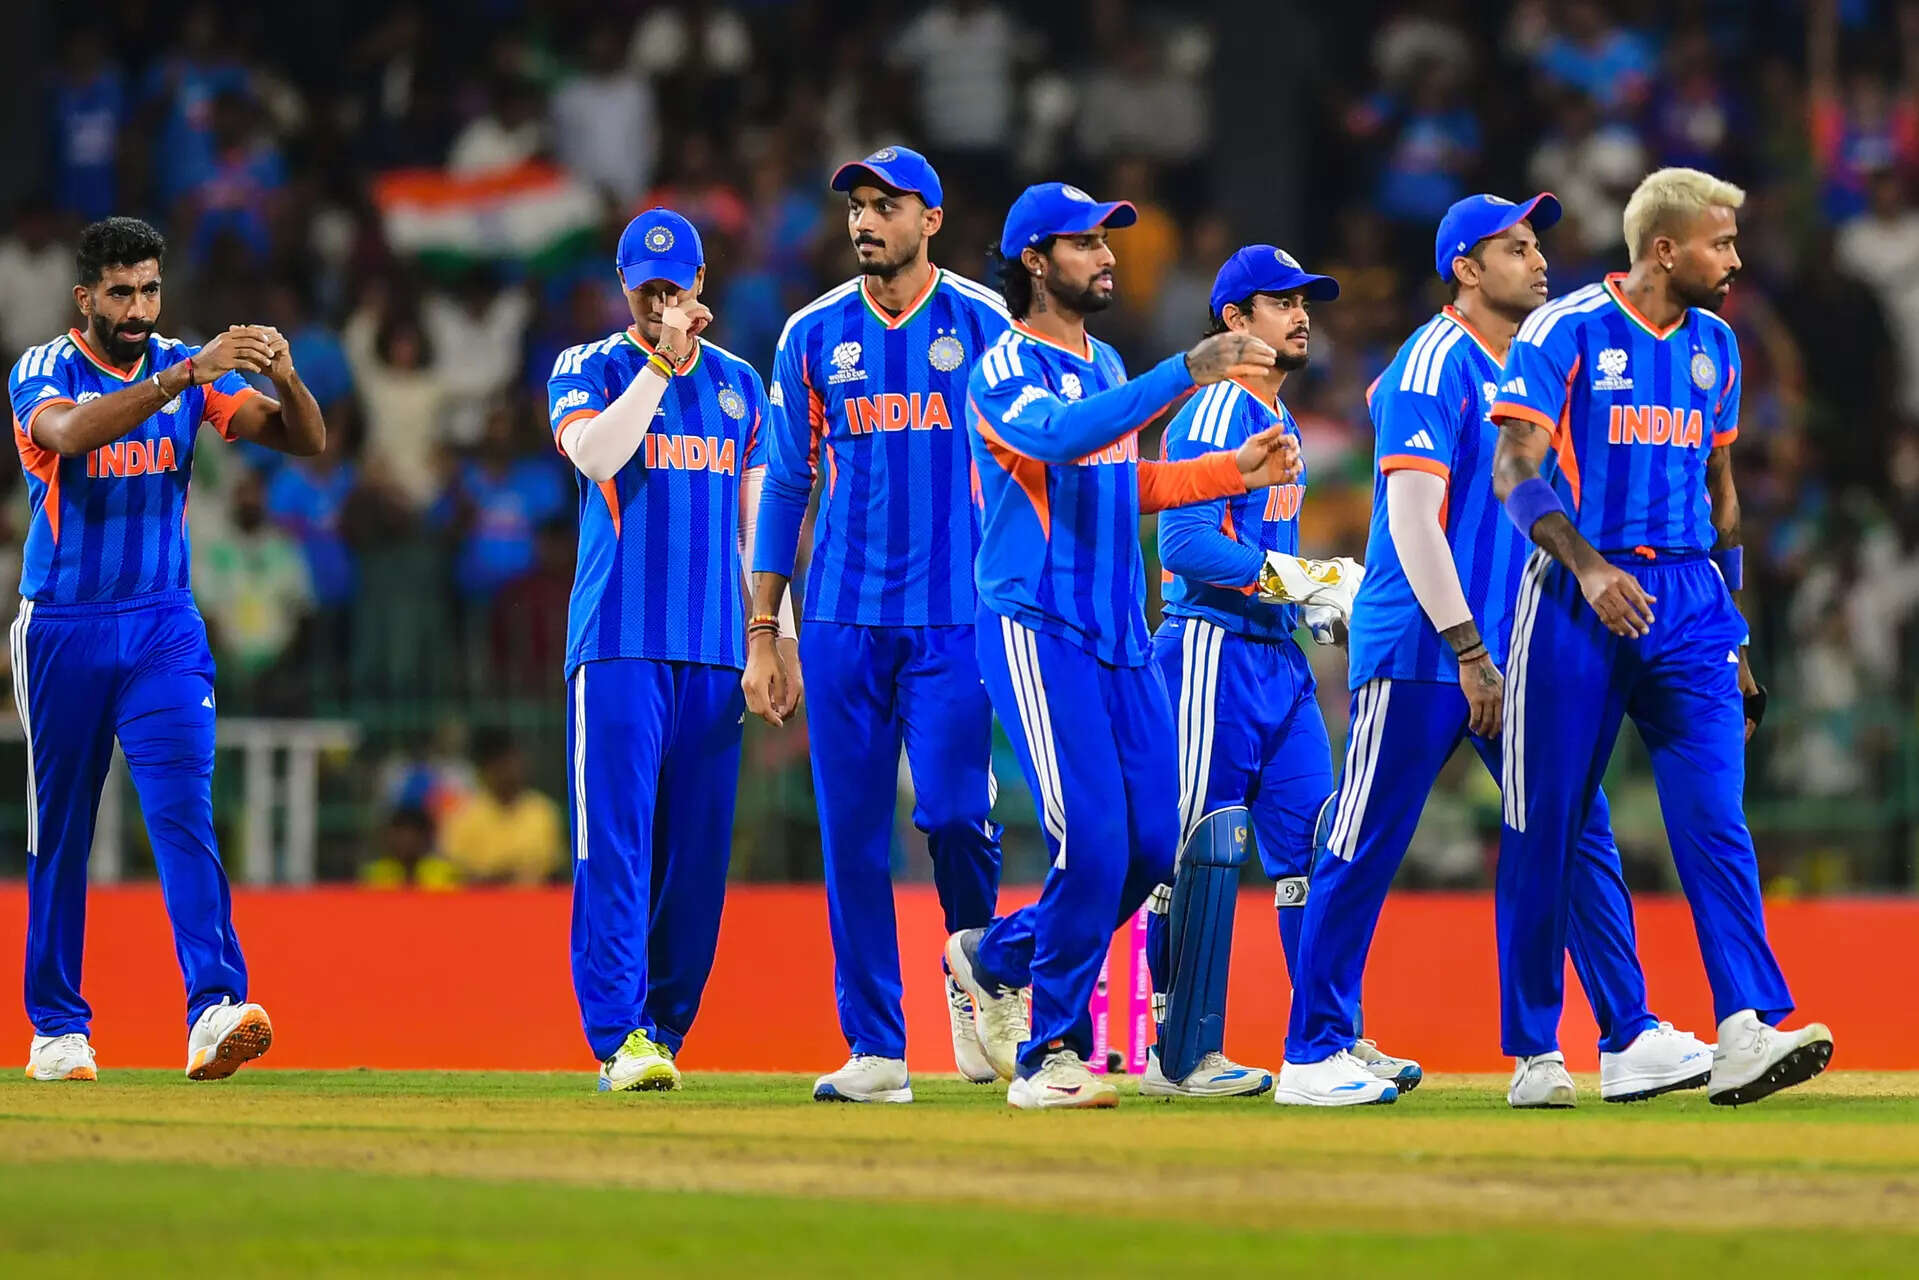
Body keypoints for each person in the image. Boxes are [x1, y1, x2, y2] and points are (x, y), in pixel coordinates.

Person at [1279, 194, 1711, 1109]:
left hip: (1518, 646)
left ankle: (1626, 1035)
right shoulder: (1430, 361)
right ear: (1466, 270)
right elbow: (1411, 521)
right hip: (1424, 644)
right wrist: (1467, 649)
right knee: (1363, 838)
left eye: (1536, 244)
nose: (1538, 259)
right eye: (1514, 248)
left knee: (1574, 829)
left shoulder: (1540, 364)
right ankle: (1313, 1050)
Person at [941, 181, 1299, 1109]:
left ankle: (993, 957)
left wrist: (1228, 472)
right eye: (1086, 242)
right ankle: (1049, 1057)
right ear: (1034, 261)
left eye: (1107, 241)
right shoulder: (1000, 368)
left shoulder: (1102, 363)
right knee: (1095, 843)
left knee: (1147, 849)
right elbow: (1062, 441)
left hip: (1120, 638)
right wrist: (1187, 370)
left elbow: (1120, 483)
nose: (1107, 257)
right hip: (1036, 627)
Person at [1491, 169, 1833, 1106]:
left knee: (1716, 818)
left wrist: (1738, 634)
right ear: (1664, 249)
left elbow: (1721, 494)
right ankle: (1535, 1051)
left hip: (1689, 603)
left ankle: (1744, 1027)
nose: (1735, 260)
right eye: (1720, 244)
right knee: (1548, 821)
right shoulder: (1563, 329)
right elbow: (1512, 468)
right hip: (1578, 594)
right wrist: (1587, 568)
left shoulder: (1717, 345)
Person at [13, 216, 326, 1083]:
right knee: (62, 831)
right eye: (121, 293)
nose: (139, 308)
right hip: (64, 624)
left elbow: (303, 439)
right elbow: (70, 436)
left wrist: (286, 377)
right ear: (85, 297)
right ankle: (57, 1030)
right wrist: (186, 373)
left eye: (150, 289)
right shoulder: (44, 368)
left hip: (163, 624)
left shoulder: (187, 367)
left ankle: (214, 1008)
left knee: (183, 810)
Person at [746, 146, 1013, 1103]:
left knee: (955, 815)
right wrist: (764, 632)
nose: (865, 221)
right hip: (841, 620)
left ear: (930, 220)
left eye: (885, 205)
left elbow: (1029, 464)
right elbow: (786, 484)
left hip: (953, 618)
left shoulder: (986, 323)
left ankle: (976, 975)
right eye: (857, 206)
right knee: (852, 837)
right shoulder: (811, 333)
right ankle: (875, 1049)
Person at [547, 208, 782, 1093]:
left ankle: (664, 1033)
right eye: (645, 291)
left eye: (673, 289)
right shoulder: (589, 366)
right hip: (616, 643)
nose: (659, 304)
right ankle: (618, 1036)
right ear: (623, 286)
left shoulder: (740, 385)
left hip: (716, 651)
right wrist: (657, 363)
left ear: (700, 284)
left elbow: (759, 528)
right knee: (614, 848)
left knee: (697, 862)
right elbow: (597, 457)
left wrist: (775, 638)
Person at [438, 729, 566, 886]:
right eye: (499, 765)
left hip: (534, 897)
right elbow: (455, 874)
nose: (508, 771)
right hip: (481, 898)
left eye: (512, 763)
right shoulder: (463, 814)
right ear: (485, 769)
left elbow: (553, 871)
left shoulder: (542, 811)